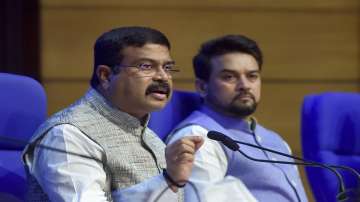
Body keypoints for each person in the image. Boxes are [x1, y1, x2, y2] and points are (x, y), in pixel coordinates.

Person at [22, 26, 204, 202]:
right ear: (106, 75)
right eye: (146, 66)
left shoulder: (149, 136)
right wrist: (167, 181)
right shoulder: (67, 135)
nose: (163, 77)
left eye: (167, 67)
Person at [166, 35, 308, 202]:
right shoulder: (199, 137)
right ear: (202, 87)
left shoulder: (275, 140)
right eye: (229, 77)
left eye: (252, 76)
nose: (245, 85)